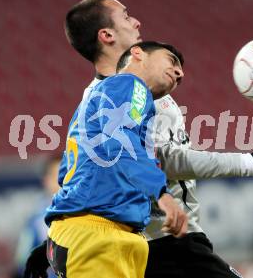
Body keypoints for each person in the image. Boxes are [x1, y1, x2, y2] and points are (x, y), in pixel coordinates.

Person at [24, 0, 253, 278]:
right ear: (107, 35)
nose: (136, 21)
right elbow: (148, 154)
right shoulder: (130, 90)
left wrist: (58, 231)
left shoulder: (95, 96)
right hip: (161, 239)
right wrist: (252, 163)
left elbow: (78, 172)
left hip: (127, 239)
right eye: (126, 15)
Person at [43, 40, 187, 278]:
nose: (179, 73)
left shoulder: (102, 96)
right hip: (98, 235)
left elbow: (67, 171)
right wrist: (161, 193)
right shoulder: (129, 83)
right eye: (172, 61)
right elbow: (120, 141)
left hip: (95, 233)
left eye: (181, 73)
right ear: (138, 53)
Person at [13, 155, 61, 278]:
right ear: (46, 180)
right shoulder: (36, 221)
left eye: (67, 174)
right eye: (57, 175)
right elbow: (22, 261)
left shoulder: (87, 214)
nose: (63, 180)